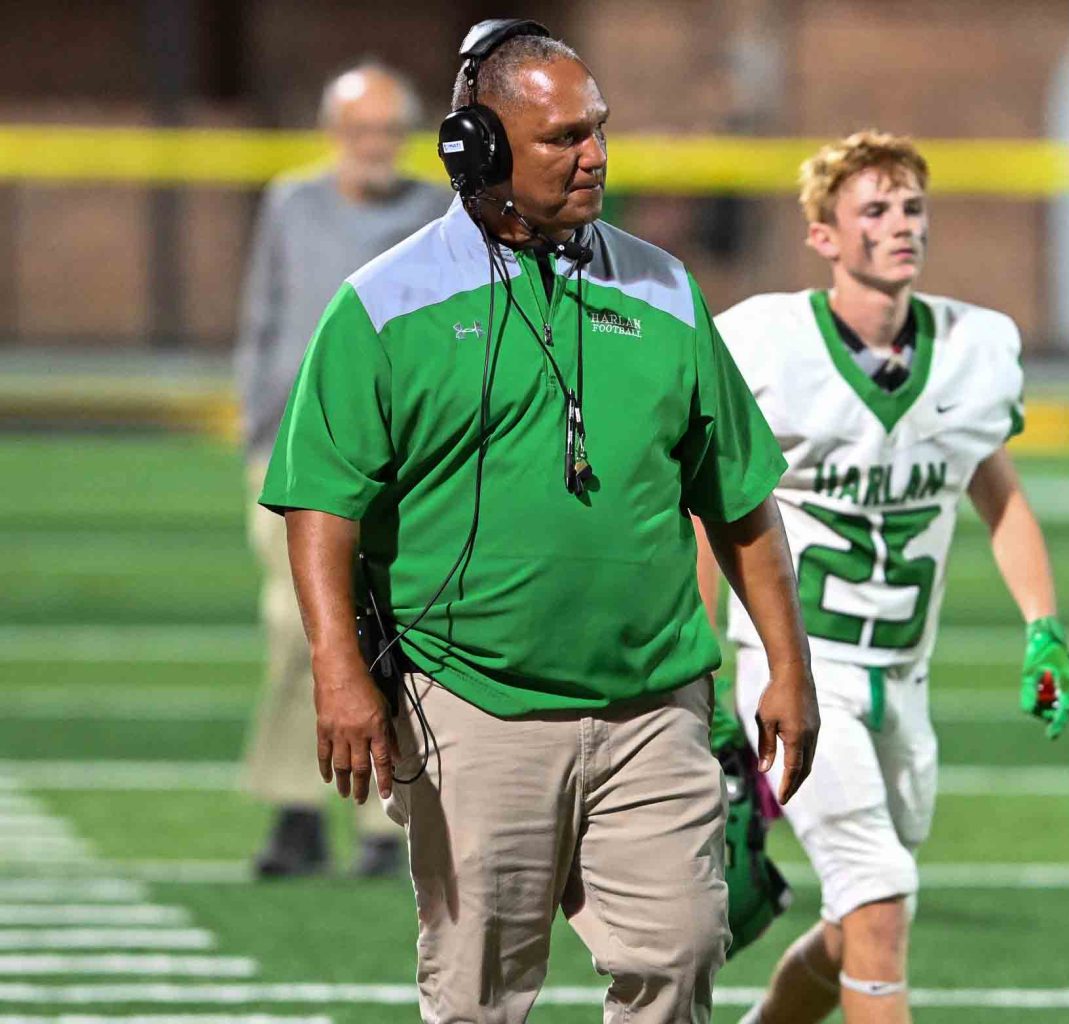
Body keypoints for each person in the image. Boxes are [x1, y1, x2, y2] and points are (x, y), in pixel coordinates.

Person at [259, 19, 820, 1022]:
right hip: (471, 701)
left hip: (653, 700)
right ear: (477, 148)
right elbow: (321, 500)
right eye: (564, 138)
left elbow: (736, 494)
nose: (596, 155)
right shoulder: (383, 305)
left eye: (598, 130)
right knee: (478, 993)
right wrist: (339, 670)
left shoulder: (667, 291)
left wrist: (789, 661)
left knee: (681, 952)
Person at [697, 131, 1069, 1024]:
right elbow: (704, 506)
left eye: (912, 207)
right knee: (877, 893)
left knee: (864, 916)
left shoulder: (975, 346)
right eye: (874, 209)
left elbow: (1001, 496)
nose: (900, 225)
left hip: (905, 678)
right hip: (798, 666)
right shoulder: (765, 342)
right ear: (824, 235)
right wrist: (705, 663)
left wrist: (1043, 626)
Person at [235, 60, 449, 879]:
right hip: (292, 452)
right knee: (300, 630)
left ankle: (382, 823)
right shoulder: (291, 202)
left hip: (395, 457)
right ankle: (294, 809)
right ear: (334, 135)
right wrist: (258, 424)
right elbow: (264, 312)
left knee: (388, 633)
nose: (375, 147)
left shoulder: (434, 212)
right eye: (361, 132)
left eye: (388, 132)